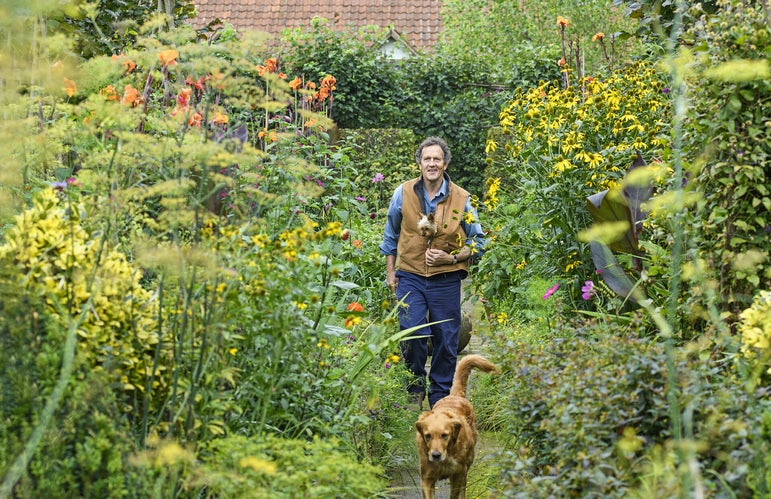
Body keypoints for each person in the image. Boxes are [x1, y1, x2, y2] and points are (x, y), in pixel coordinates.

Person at [379, 136, 486, 410]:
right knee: (410, 332)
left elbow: (478, 242)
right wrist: (391, 273)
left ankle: (439, 399)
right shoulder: (402, 193)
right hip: (411, 275)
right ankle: (415, 389)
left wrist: (450, 257)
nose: (432, 163)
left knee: (447, 340)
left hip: (446, 279)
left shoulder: (462, 199)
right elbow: (390, 237)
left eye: (437, 159)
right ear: (419, 163)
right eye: (427, 158)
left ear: (445, 163)